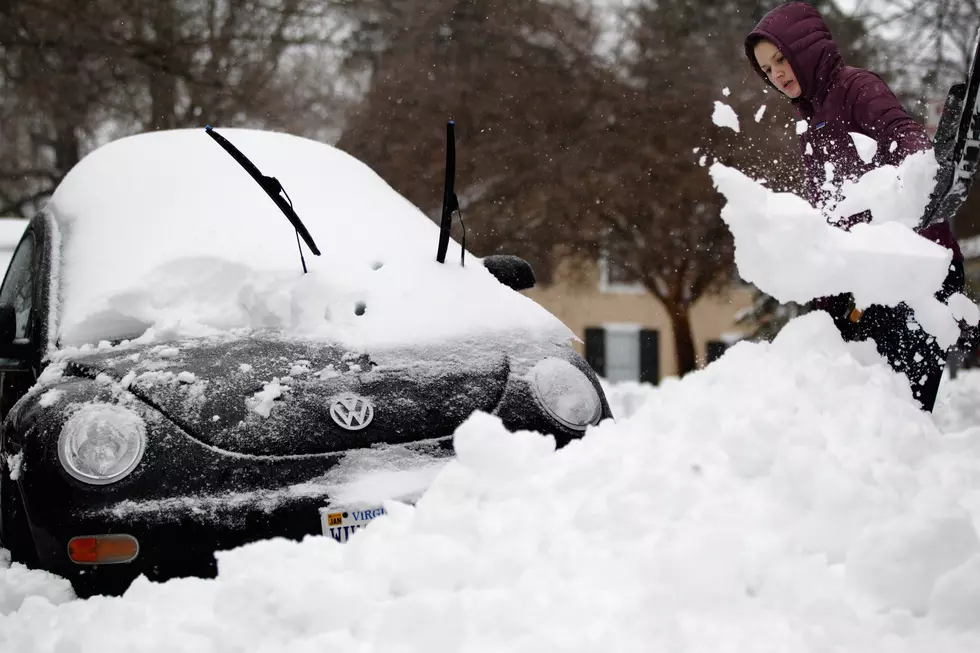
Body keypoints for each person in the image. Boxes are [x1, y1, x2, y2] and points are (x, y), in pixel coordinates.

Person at [744, 1, 964, 412]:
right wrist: (827, 300)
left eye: (780, 59)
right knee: (863, 415)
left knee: (901, 414)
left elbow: (907, 140)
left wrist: (914, 180)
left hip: (916, 272)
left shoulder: (857, 87)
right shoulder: (811, 124)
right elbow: (833, 215)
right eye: (767, 69)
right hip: (869, 284)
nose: (776, 74)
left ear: (805, 51)